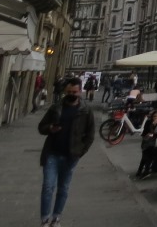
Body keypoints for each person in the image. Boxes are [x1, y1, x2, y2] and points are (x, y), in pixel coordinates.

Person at [38, 76, 96, 226]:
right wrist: (50, 128)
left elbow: (90, 134)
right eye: (69, 91)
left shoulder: (86, 111)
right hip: (52, 152)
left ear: (80, 91)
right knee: (48, 186)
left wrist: (81, 151)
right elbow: (41, 127)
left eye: (74, 92)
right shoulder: (56, 107)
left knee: (63, 188)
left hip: (71, 155)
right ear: (65, 91)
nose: (71, 94)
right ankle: (45, 219)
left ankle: (56, 218)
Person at [135, 110, 157, 179]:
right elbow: (144, 133)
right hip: (148, 142)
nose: (156, 118)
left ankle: (147, 169)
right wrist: (152, 125)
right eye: (154, 116)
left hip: (156, 143)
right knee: (146, 152)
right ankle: (141, 169)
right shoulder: (148, 123)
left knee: (150, 153)